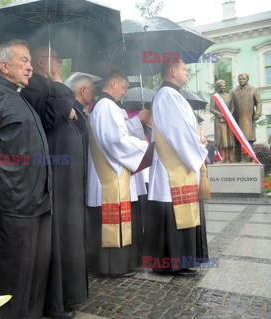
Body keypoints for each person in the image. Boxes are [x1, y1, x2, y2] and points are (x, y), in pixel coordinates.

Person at [0, 39, 52, 319]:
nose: (30, 67)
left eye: (30, 61)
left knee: (35, 275)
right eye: (24, 61)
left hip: (38, 201)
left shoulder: (20, 96)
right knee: (10, 276)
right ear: (4, 66)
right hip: (10, 202)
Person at [21, 46, 87, 319]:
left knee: (71, 231)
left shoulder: (53, 87)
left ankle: (72, 294)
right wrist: (60, 87)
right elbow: (49, 118)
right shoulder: (33, 88)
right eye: (56, 58)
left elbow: (79, 119)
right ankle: (55, 302)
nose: (60, 62)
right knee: (58, 233)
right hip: (54, 173)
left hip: (70, 174)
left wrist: (70, 110)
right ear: (42, 61)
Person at [143, 59, 208, 276]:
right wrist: (199, 149)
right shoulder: (168, 96)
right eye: (184, 69)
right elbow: (179, 133)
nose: (187, 73)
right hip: (173, 170)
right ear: (173, 71)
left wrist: (199, 138)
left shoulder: (170, 95)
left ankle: (173, 262)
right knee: (173, 213)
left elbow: (187, 129)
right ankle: (174, 263)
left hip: (175, 165)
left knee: (173, 213)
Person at [87, 69, 149, 277]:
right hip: (109, 177)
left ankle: (117, 265)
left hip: (110, 174)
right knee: (111, 223)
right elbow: (116, 140)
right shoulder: (106, 106)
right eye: (124, 87)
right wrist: (142, 146)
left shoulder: (106, 106)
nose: (125, 92)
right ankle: (112, 268)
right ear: (113, 84)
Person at [230, 73, 262, 161]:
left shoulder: (253, 90)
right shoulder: (233, 91)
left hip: (248, 118)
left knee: (248, 138)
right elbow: (230, 104)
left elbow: (259, 102)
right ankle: (237, 157)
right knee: (237, 139)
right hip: (236, 119)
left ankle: (248, 157)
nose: (242, 81)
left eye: (244, 79)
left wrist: (258, 113)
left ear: (247, 79)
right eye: (240, 79)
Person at [210, 80, 235, 162]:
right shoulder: (215, 97)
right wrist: (221, 114)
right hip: (220, 120)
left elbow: (233, 107)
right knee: (223, 138)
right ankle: (224, 157)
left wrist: (229, 115)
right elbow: (211, 109)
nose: (223, 87)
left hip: (229, 120)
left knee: (230, 138)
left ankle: (231, 157)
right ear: (218, 87)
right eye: (221, 85)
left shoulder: (229, 96)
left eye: (224, 85)